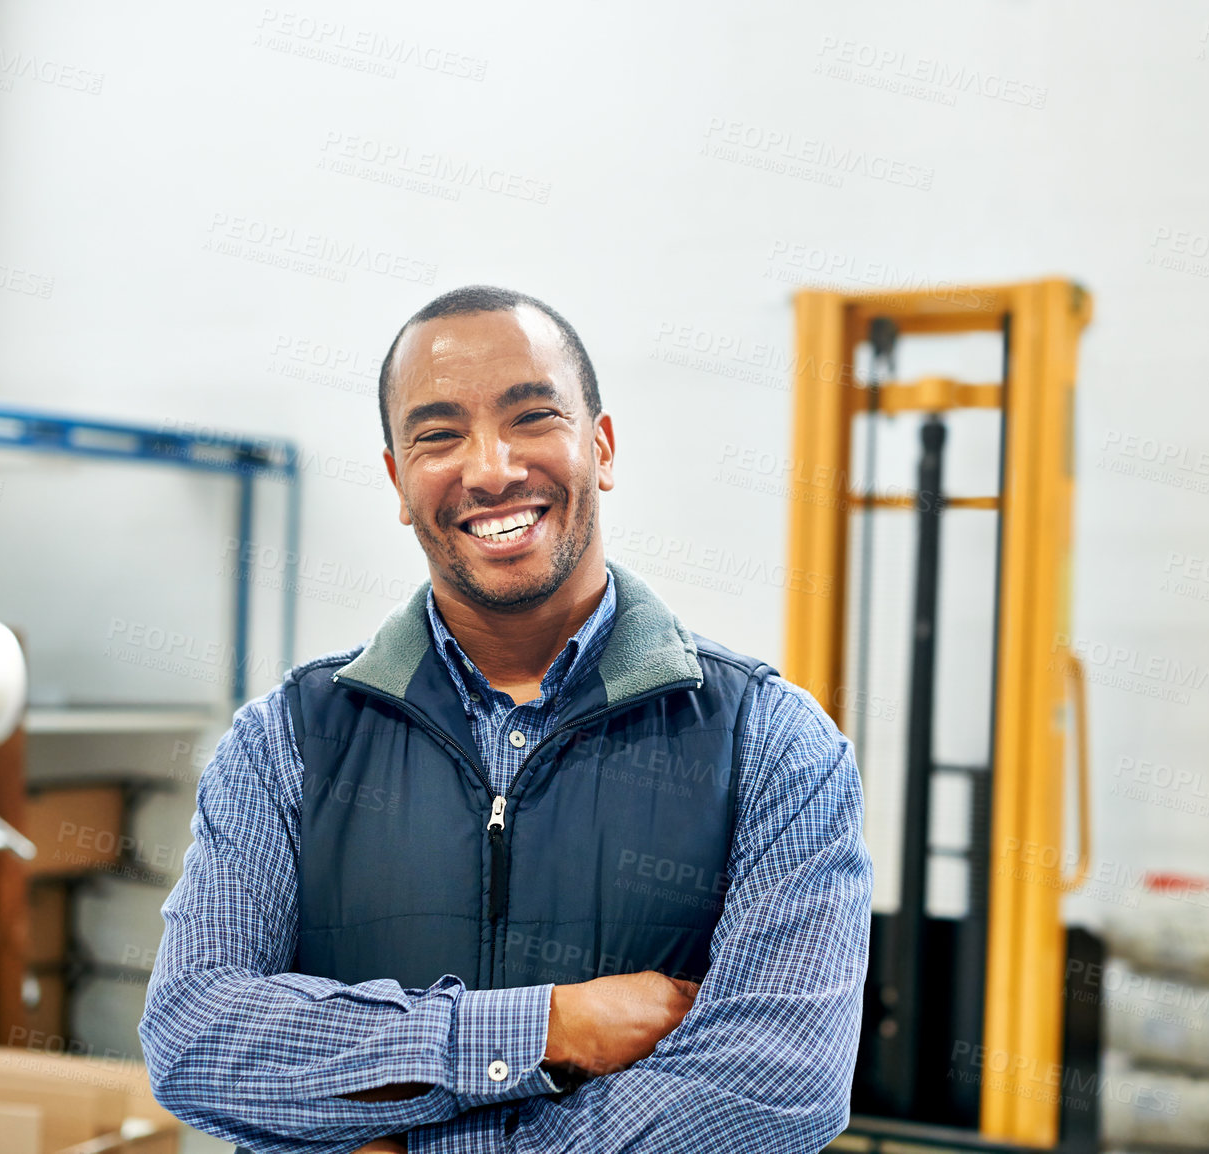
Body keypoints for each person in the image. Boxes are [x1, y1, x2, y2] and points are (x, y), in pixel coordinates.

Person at [139, 285, 873, 1153]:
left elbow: (776, 1086)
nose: (489, 469)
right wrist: (549, 1029)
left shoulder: (773, 746)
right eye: (439, 435)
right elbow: (196, 1037)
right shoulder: (284, 745)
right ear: (399, 483)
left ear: (599, 447)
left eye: (531, 417)